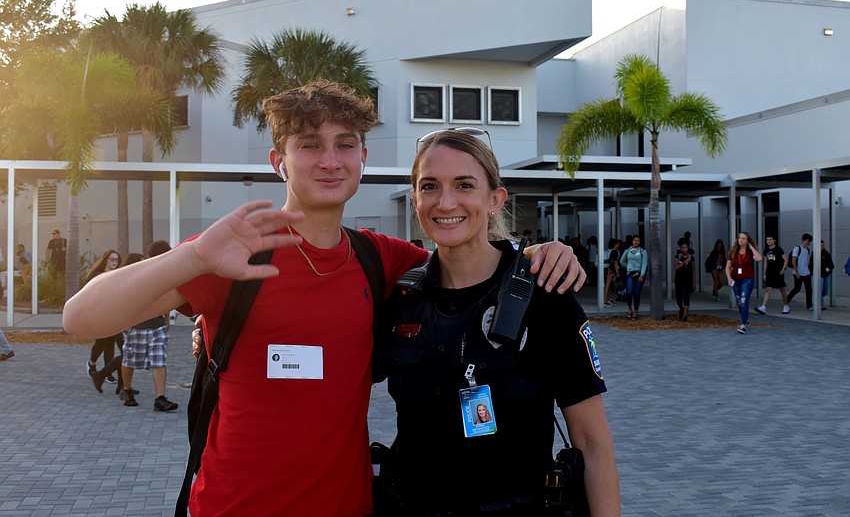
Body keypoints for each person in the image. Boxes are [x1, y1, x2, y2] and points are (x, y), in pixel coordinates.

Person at [63, 81, 584, 516]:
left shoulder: (383, 260)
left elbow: (469, 255)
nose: (330, 160)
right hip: (233, 507)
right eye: (310, 144)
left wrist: (537, 254)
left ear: (363, 156)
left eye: (345, 143)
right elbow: (80, 319)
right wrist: (193, 258)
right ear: (279, 161)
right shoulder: (234, 252)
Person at [373, 128, 619, 516]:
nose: (446, 201)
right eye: (430, 186)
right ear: (415, 200)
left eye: (464, 185)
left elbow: (592, 442)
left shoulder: (544, 295)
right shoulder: (403, 300)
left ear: (494, 199)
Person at [119, 242, 179, 411]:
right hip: (136, 325)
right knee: (131, 358)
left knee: (159, 359)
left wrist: (166, 318)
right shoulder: (138, 272)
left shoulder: (164, 273)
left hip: (157, 325)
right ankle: (127, 390)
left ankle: (160, 398)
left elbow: (166, 294)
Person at [84, 250, 123, 380]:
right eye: (112, 259)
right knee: (102, 341)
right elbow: (88, 293)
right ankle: (91, 363)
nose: (114, 262)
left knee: (111, 342)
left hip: (113, 313)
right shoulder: (96, 275)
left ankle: (107, 372)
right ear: (105, 259)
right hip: (98, 313)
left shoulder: (117, 275)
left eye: (116, 260)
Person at [725, 231, 762, 334]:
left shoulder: (750, 252)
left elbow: (759, 258)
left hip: (747, 279)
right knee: (739, 302)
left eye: (744, 238)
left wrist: (751, 247)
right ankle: (745, 320)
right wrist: (729, 278)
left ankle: (744, 324)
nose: (741, 240)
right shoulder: (733, 251)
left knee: (744, 300)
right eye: (740, 238)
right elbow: (728, 267)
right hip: (735, 280)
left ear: (747, 241)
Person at [754, 236, 789, 315]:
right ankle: (763, 307)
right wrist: (764, 273)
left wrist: (783, 270)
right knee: (768, 289)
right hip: (770, 272)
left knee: (782, 289)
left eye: (770, 239)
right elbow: (766, 262)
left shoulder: (778, 249)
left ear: (774, 240)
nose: (768, 241)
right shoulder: (766, 250)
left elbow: (786, 260)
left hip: (778, 271)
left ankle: (786, 305)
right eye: (767, 240)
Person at [619, 235, 647, 320]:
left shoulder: (642, 251)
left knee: (637, 293)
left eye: (638, 241)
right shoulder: (628, 250)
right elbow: (621, 261)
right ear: (632, 241)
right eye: (635, 240)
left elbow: (644, 264)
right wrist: (628, 267)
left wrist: (642, 274)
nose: (636, 242)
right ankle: (629, 309)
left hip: (638, 274)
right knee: (629, 292)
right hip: (630, 273)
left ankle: (636, 311)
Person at [786, 233, 814, 312]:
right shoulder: (797, 248)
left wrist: (808, 270)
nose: (809, 243)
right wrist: (797, 272)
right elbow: (793, 260)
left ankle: (809, 305)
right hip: (798, 272)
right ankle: (786, 300)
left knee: (809, 289)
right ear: (804, 240)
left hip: (806, 272)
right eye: (808, 241)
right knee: (797, 288)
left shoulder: (807, 250)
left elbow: (807, 261)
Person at [674, 238, 696, 322]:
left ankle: (685, 315)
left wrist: (694, 282)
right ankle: (681, 308)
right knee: (678, 298)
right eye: (683, 247)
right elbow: (676, 267)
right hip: (679, 279)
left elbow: (693, 270)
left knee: (687, 297)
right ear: (680, 248)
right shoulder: (678, 257)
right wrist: (684, 262)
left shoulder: (691, 258)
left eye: (686, 247)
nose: (685, 249)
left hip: (688, 280)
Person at [603, 238, 622, 307]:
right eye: (617, 244)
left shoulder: (608, 251)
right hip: (611, 270)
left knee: (608, 286)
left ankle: (607, 299)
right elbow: (615, 263)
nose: (618, 245)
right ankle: (605, 300)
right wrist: (617, 272)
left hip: (606, 269)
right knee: (607, 286)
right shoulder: (614, 252)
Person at [819, 240, 835, 311]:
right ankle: (821, 304)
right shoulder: (815, 253)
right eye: (820, 245)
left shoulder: (826, 254)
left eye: (822, 245)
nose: (821, 247)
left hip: (826, 274)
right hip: (819, 275)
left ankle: (818, 299)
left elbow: (831, 264)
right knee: (820, 289)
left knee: (825, 290)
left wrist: (829, 270)